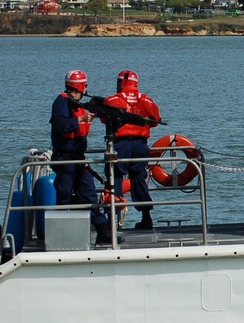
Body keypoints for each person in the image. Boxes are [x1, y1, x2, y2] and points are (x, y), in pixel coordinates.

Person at [50, 69, 116, 244]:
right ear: (82, 86)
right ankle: (61, 235)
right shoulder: (61, 102)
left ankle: (103, 230)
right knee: (64, 195)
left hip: (78, 159)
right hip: (65, 160)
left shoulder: (76, 104)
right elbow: (60, 124)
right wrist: (81, 120)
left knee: (88, 194)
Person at [104, 70, 161, 230]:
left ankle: (111, 221)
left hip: (120, 144)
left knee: (114, 179)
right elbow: (155, 120)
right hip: (140, 145)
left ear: (121, 82)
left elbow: (104, 119)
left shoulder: (112, 100)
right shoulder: (146, 100)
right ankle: (146, 217)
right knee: (139, 179)